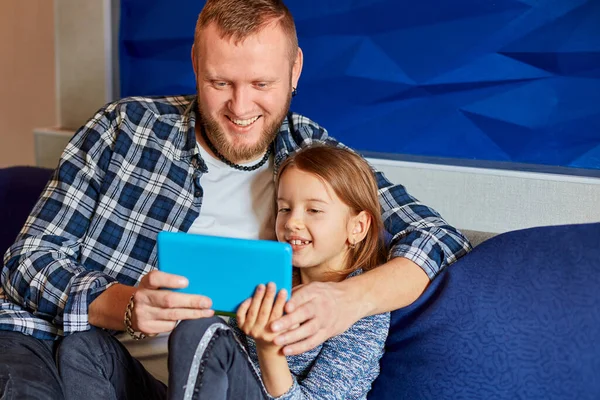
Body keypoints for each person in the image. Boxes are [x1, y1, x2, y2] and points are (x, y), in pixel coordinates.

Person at [0, 0, 470, 398]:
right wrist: (120, 303)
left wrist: (347, 301)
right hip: (50, 340)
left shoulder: (313, 158)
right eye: (220, 83)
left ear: (295, 71)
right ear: (195, 66)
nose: (241, 109)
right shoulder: (124, 128)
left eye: (262, 85)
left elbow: (438, 237)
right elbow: (26, 262)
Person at [167, 144, 391, 399]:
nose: (292, 222)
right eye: (284, 208)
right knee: (114, 352)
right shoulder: (266, 281)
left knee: (202, 330)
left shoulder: (363, 311)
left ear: (358, 227)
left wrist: (268, 348)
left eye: (314, 210)